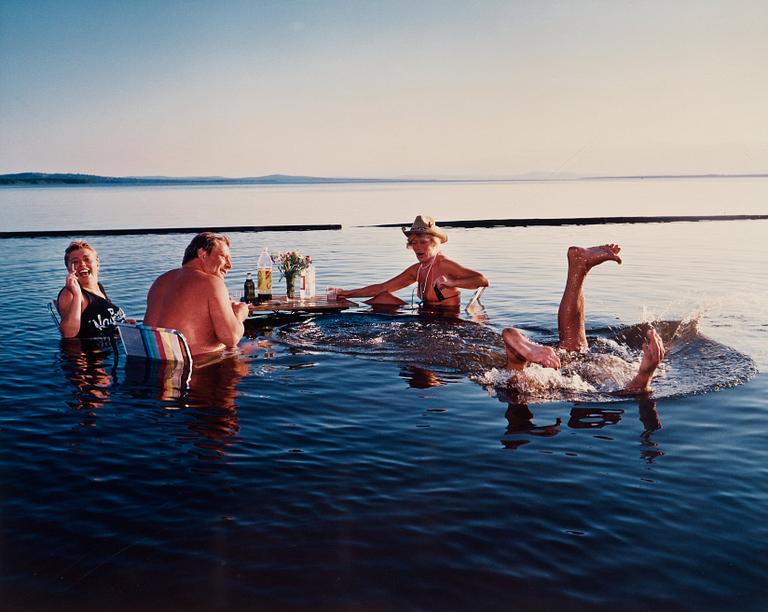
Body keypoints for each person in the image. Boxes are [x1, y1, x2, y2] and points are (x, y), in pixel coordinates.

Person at [502, 244, 666, 394]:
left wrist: (646, 374)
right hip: (601, 372)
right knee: (572, 350)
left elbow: (633, 389)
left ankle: (579, 267)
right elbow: (633, 389)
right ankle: (579, 267)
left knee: (571, 351)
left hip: (598, 372)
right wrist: (645, 374)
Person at [337, 215, 489, 308]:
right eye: (414, 243)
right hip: (424, 315)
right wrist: (347, 294)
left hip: (446, 322)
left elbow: (482, 281)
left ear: (434, 243)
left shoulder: (443, 264)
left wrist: (452, 282)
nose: (418, 248)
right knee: (383, 297)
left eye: (423, 242)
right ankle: (348, 315)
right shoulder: (418, 269)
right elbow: (383, 287)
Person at [143, 232, 249, 356]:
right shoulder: (212, 282)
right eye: (223, 256)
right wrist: (239, 313)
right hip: (194, 369)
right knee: (252, 348)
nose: (229, 265)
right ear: (202, 254)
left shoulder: (160, 281)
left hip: (151, 363)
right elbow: (231, 338)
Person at [57, 240, 126, 339]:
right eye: (75, 262)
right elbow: (69, 334)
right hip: (88, 353)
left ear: (97, 262)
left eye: (87, 259)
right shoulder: (69, 293)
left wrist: (123, 325)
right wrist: (76, 295)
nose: (82, 264)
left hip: (109, 350)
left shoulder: (98, 287)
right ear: (68, 268)